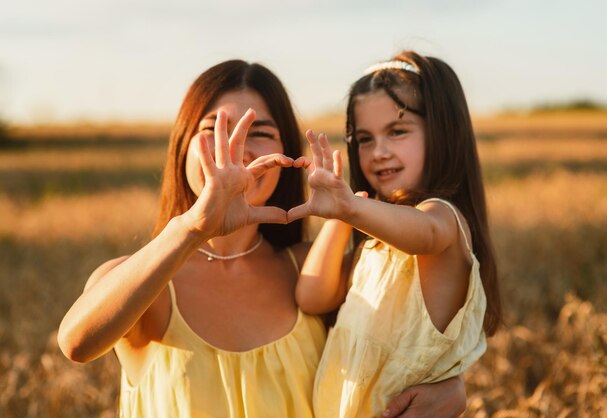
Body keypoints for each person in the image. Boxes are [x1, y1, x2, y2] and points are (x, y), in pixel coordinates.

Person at [58, 59, 467, 417]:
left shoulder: (314, 271)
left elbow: (420, 327)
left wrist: (452, 385)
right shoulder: (145, 280)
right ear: (182, 148)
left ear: (288, 157)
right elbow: (76, 343)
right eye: (215, 129)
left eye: (260, 133)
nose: (238, 151)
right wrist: (191, 228)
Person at [290, 50, 503, 417]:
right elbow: (311, 296)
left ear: (441, 133)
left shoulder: (443, 219)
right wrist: (342, 216)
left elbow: (425, 234)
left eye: (397, 131)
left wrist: (352, 209)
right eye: (365, 139)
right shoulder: (373, 243)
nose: (379, 152)